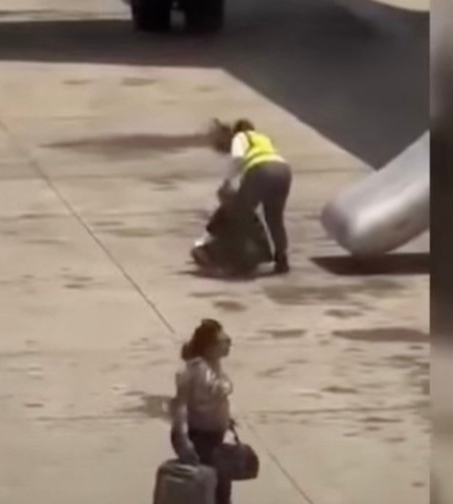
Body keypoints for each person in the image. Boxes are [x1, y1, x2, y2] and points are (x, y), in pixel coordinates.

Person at [208, 118, 293, 274]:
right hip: (283, 171)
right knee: (275, 219)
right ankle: (282, 259)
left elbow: (238, 158)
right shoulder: (264, 138)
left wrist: (227, 182)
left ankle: (244, 257)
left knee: (240, 213)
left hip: (261, 170)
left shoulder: (241, 137)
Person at [170, 319, 235, 504]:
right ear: (210, 346)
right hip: (203, 438)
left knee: (219, 490)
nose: (229, 344)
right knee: (210, 492)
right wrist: (182, 437)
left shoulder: (213, 367)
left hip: (216, 436)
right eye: (224, 341)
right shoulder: (196, 371)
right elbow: (181, 405)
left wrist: (229, 428)